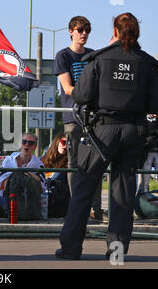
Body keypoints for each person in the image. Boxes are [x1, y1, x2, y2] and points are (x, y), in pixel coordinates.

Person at [56, 12, 158, 261]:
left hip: (102, 132)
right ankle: (116, 253)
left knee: (84, 189)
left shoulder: (99, 59)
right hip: (133, 132)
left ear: (115, 32)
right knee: (123, 195)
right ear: (136, 33)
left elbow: (81, 95)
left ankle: (71, 249)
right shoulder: (147, 63)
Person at [54, 16, 105, 221]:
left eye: (87, 30)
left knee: (97, 161)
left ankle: (96, 208)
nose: (84, 33)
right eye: (80, 29)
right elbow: (67, 88)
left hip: (94, 117)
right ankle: (78, 208)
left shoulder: (93, 55)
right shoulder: (63, 56)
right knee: (74, 163)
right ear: (71, 31)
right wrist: (89, 95)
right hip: (73, 116)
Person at [0, 133, 45, 215]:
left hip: (27, 202)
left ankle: (9, 211)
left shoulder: (38, 164)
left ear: (35, 146)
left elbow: (41, 190)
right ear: (20, 144)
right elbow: (1, 185)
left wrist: (30, 175)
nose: (27, 145)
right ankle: (8, 210)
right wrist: (18, 176)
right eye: (24, 142)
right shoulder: (9, 160)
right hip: (8, 198)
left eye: (30, 143)